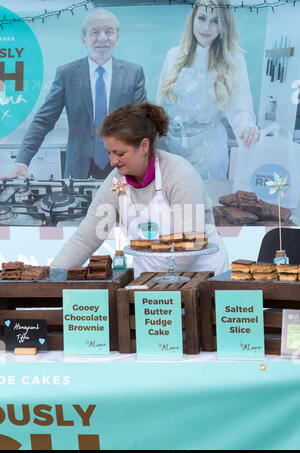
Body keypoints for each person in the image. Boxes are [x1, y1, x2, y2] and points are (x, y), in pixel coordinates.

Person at [51, 102, 229, 278]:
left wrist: (154, 285)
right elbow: (86, 236)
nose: (112, 161)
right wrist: (53, 276)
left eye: (119, 153)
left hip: (202, 279)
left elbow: (190, 244)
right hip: (149, 286)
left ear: (144, 146)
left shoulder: (179, 174)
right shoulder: (116, 182)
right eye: (109, 153)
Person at [0, 8, 146, 180]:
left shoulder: (134, 73)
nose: (102, 38)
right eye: (94, 32)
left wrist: (149, 162)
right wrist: (21, 162)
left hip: (123, 165)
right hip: (79, 169)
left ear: (117, 38)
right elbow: (42, 121)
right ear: (83, 40)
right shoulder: (67, 74)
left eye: (109, 32)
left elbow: (142, 123)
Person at [156, 0, 259, 181]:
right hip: (170, 148)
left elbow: (240, 108)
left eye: (215, 21)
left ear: (224, 25)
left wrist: (248, 127)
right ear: (193, 19)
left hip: (208, 152)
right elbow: (160, 107)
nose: (206, 27)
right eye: (202, 18)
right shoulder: (173, 55)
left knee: (204, 204)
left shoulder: (233, 59)